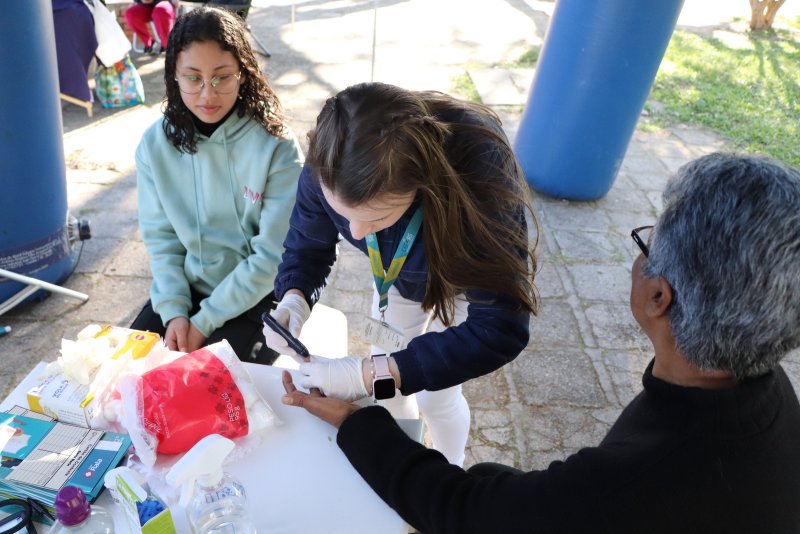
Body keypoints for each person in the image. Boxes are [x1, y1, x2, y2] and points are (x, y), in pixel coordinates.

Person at [281, 152, 800, 533]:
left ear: (660, 295)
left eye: (647, 239)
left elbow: (465, 511)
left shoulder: (626, 485)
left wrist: (357, 419)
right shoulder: (767, 393)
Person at [262, 82, 539, 466]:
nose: (355, 233)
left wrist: (367, 373)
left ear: (421, 184)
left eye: (375, 217)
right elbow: (308, 246)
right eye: (342, 212)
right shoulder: (330, 163)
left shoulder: (481, 173)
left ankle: (450, 467)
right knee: (388, 390)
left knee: (436, 395)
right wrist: (294, 296)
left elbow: (500, 328)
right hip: (395, 283)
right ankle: (405, 467)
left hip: (465, 281)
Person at [131, 7, 303, 364]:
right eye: (192, 78)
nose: (207, 94)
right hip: (189, 291)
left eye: (222, 77)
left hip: (259, 297)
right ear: (173, 76)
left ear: (243, 74)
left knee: (213, 395)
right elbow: (162, 242)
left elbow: (271, 258)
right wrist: (175, 311)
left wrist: (204, 322)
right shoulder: (154, 145)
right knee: (128, 375)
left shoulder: (276, 146)